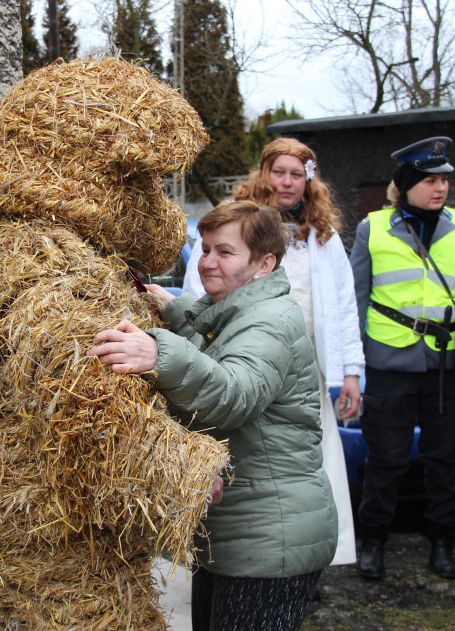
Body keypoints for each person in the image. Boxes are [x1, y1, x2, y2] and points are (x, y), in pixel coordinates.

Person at [90, 201, 337, 631]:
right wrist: (176, 311)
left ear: (264, 264)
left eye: (225, 252)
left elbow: (233, 393)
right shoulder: (236, 311)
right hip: (237, 535)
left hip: (270, 539)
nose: (206, 263)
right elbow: (218, 348)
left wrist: (158, 352)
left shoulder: (272, 321)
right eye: (204, 250)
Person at [183, 138, 364, 567]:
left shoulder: (321, 233)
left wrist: (350, 370)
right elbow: (199, 285)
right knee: (252, 453)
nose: (286, 182)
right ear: (263, 173)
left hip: (304, 369)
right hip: (246, 357)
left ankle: (314, 553)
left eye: (296, 174)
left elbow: (343, 302)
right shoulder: (236, 222)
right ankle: (250, 548)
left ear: (309, 180)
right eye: (278, 172)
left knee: (307, 456)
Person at [351, 136, 455, 581]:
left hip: (448, 365)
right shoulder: (372, 228)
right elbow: (356, 300)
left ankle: (442, 540)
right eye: (430, 180)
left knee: (444, 459)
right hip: (388, 362)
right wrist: (353, 366)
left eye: (444, 180)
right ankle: (374, 541)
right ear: (406, 184)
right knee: (387, 459)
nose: (440, 188)